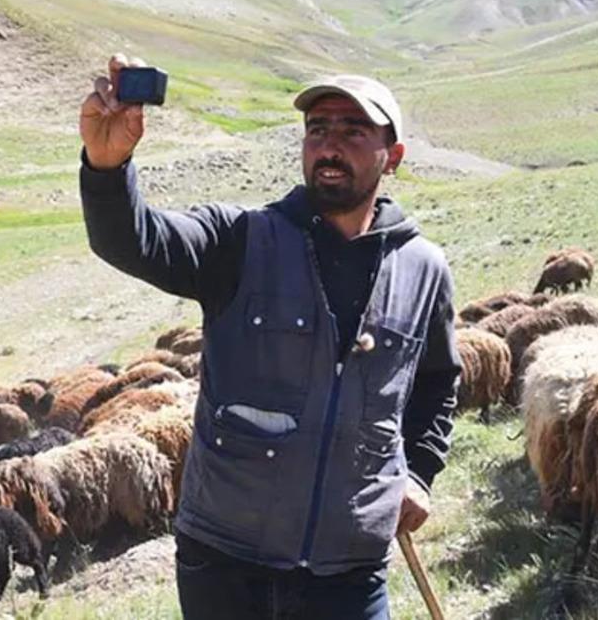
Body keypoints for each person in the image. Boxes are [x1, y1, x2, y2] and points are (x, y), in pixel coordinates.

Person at [79, 54, 461, 619]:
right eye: (317, 130)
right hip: (227, 563)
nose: (329, 146)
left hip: (350, 569)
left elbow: (436, 383)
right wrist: (108, 169)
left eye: (352, 131)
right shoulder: (240, 240)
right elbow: (133, 240)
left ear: (393, 156)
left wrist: (421, 475)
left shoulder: (424, 269)